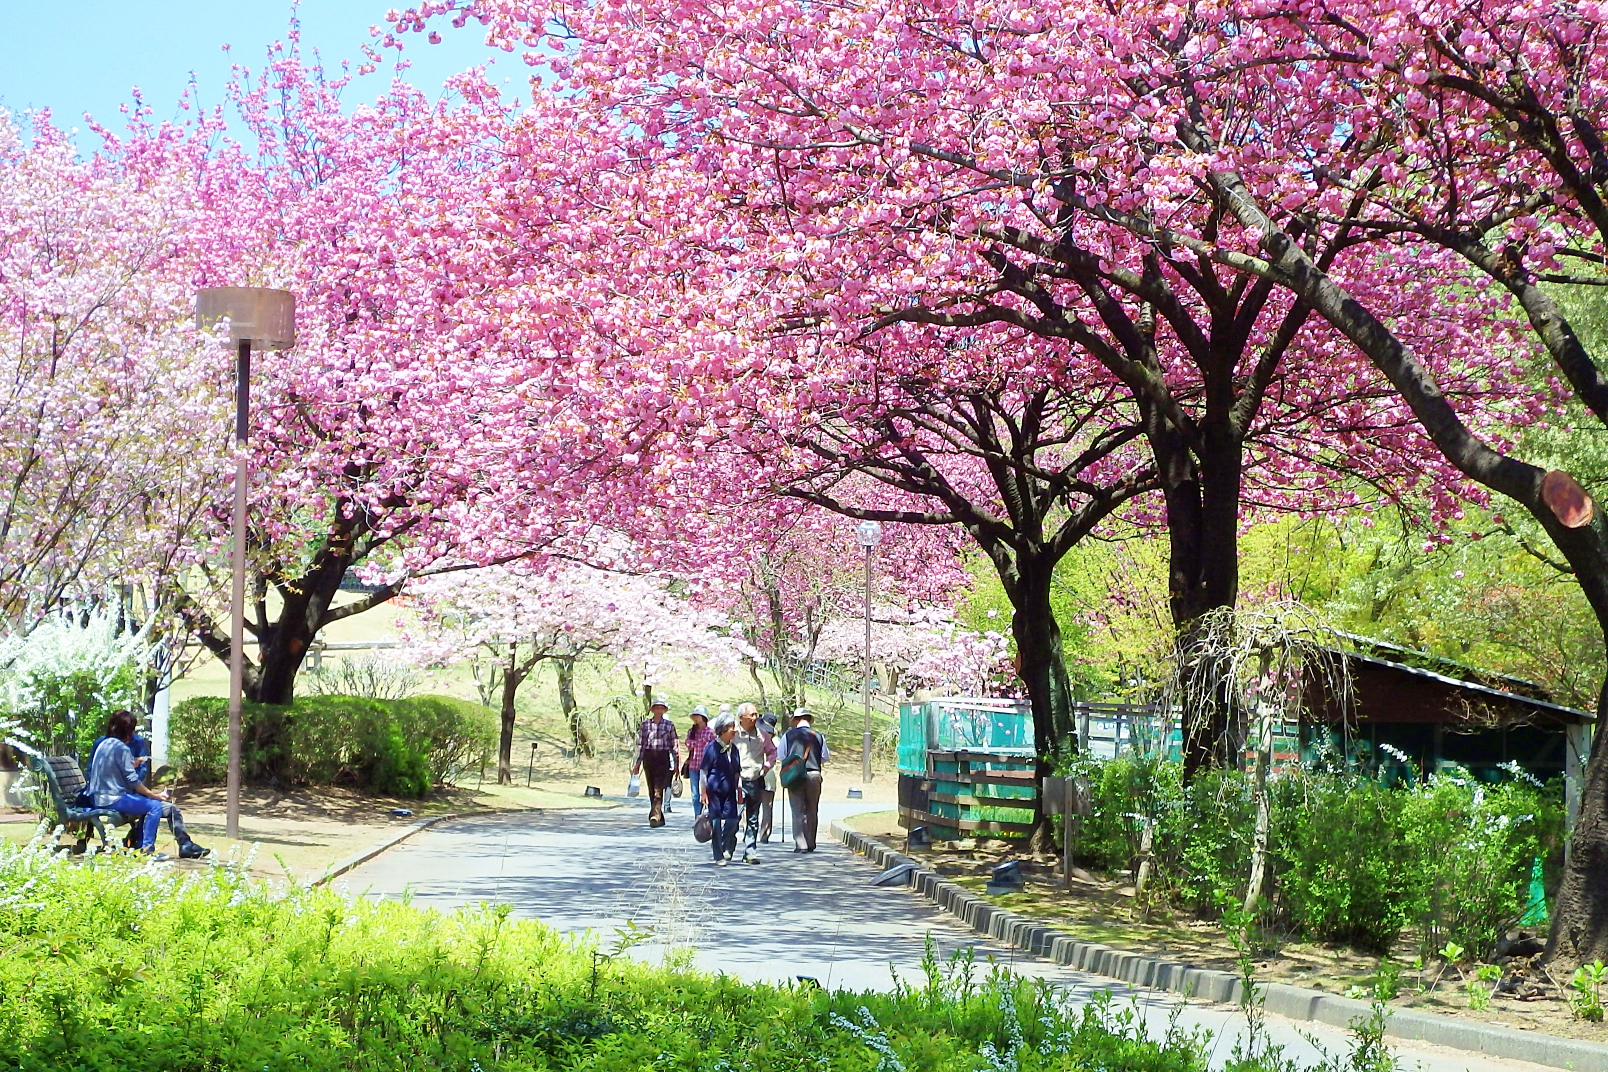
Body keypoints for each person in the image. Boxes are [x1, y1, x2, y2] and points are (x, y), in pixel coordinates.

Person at [87, 709, 209, 859]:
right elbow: (132, 780)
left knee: (169, 809)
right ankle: (147, 850)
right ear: (128, 731)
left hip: (103, 796)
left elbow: (112, 772)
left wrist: (132, 765)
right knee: (154, 806)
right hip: (113, 798)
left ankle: (185, 845)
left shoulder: (104, 744)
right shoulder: (122, 748)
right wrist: (155, 796)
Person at [779, 708, 827, 852]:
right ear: (809, 720)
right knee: (812, 809)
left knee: (797, 810)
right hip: (814, 774)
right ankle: (811, 842)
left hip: (795, 776)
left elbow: (781, 755)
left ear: (795, 720)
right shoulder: (819, 736)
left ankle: (801, 844)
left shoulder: (788, 736)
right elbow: (825, 757)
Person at [734, 703, 776, 863]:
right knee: (734, 817)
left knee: (753, 818)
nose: (754, 718)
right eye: (751, 715)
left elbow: (772, 752)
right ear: (741, 718)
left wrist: (766, 767)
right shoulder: (734, 734)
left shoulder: (762, 735)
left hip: (756, 780)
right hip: (737, 782)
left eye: (756, 714)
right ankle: (728, 848)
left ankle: (750, 851)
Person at [700, 712, 743, 865]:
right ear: (723, 729)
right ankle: (718, 855)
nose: (735, 730)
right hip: (714, 792)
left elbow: (737, 772)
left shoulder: (735, 749)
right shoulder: (711, 748)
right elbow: (704, 771)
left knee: (732, 821)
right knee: (716, 823)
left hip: (730, 791)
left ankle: (726, 846)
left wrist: (739, 790)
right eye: (732, 727)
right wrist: (703, 792)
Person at [631, 700, 679, 827]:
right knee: (651, 788)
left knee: (659, 788)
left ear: (664, 710)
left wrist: (676, 764)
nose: (658, 711)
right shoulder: (645, 725)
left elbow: (674, 745)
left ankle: (655, 815)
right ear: (652, 710)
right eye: (656, 708)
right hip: (649, 756)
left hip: (663, 757)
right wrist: (637, 763)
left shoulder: (669, 725)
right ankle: (658, 815)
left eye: (661, 708)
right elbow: (641, 744)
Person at [682, 706, 715, 819]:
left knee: (707, 792)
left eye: (698, 716)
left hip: (706, 768)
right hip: (693, 766)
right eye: (694, 716)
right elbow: (688, 744)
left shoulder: (710, 732)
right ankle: (697, 817)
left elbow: (712, 748)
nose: (696, 718)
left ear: (703, 717)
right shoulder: (691, 731)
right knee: (695, 794)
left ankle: (709, 816)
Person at [758, 711, 780, 842]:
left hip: (755, 772)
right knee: (768, 806)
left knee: (751, 804)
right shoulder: (777, 741)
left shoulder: (757, 736)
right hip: (770, 775)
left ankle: (747, 830)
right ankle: (765, 834)